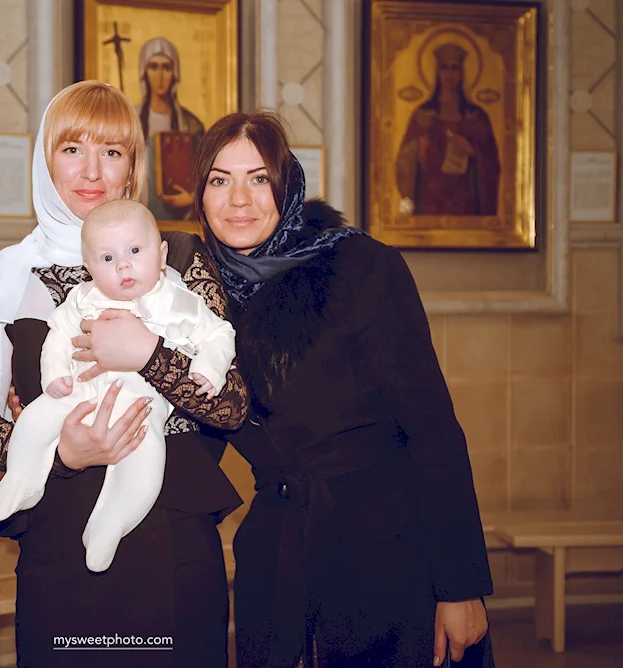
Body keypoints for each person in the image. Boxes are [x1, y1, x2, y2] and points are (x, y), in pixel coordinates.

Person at [193, 111, 495, 667]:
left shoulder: (361, 267)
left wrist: (459, 585)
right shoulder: (196, 295)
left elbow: (432, 430)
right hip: (275, 554)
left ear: (286, 186)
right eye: (219, 179)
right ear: (200, 194)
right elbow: (189, 427)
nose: (238, 199)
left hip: (385, 549)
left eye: (258, 178)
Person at [0, 80, 246, 667]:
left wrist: (149, 355)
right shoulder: (6, 277)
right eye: (72, 149)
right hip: (60, 536)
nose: (91, 170)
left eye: (112, 151)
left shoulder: (179, 256)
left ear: (132, 167)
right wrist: (64, 449)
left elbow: (232, 406)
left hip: (172, 532)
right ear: (45, 161)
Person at [0, 199, 236, 573]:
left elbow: (219, 334)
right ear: (89, 268)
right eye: (107, 259)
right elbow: (57, 336)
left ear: (161, 254)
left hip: (139, 406)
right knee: (34, 420)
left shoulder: (178, 301)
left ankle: (112, 522)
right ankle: (23, 478)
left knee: (146, 462)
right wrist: (54, 374)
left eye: (135, 251)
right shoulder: (82, 298)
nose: (123, 265)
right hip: (79, 392)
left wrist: (209, 369)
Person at [395, 42, 500, 216]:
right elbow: (404, 163)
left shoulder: (476, 117)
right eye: (444, 68)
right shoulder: (423, 115)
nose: (449, 74)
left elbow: (491, 167)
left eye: (454, 68)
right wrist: (418, 153)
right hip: (430, 203)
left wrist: (473, 153)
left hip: (465, 204)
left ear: (461, 73)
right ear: (438, 72)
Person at [136, 37, 205, 220]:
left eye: (166, 68)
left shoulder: (191, 125)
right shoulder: (131, 119)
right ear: (144, 72)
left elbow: (204, 173)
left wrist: (192, 198)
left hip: (178, 218)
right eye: (153, 67)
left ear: (175, 73)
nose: (160, 77)